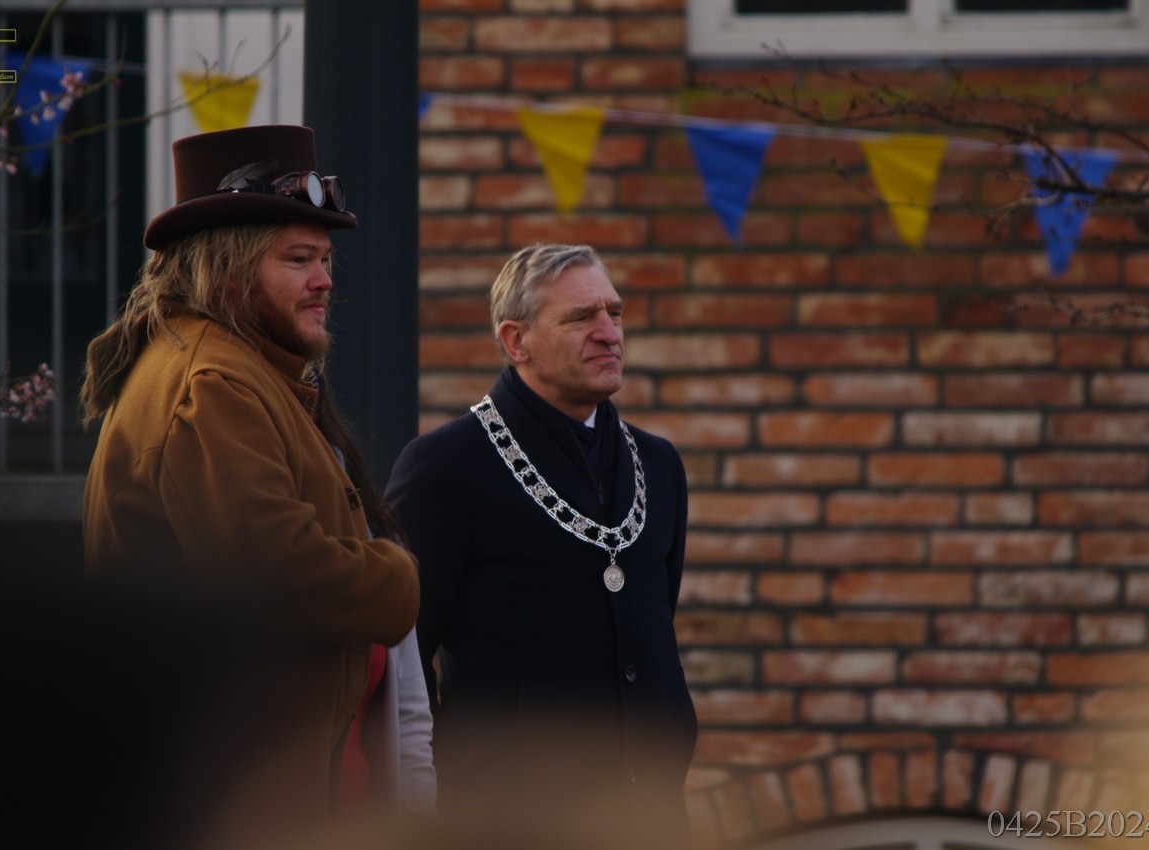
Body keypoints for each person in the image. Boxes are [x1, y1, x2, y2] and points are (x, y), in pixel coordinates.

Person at [79, 124, 423, 848]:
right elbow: (276, 571)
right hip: (222, 800)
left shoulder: (236, 368)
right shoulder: (214, 383)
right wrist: (396, 576)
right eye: (298, 260)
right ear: (227, 268)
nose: (325, 280)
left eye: (325, 260)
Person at [384, 243, 698, 833]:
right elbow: (403, 660)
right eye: (581, 318)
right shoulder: (445, 467)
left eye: (614, 313)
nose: (609, 333)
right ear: (516, 341)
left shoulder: (659, 465)